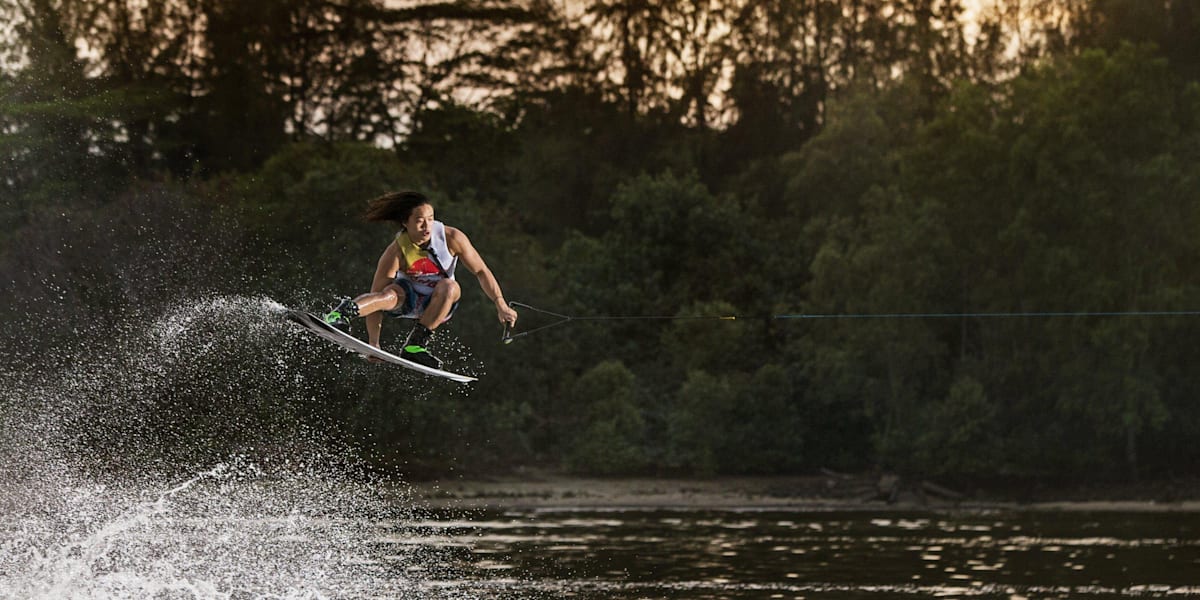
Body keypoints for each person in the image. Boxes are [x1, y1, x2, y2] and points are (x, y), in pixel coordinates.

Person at [322, 191, 518, 369]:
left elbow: (481, 271)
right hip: (408, 300)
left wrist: (500, 303)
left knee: (449, 286)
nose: (427, 227)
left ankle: (415, 346)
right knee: (389, 294)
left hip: (440, 303)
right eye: (419, 221)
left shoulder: (452, 238)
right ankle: (340, 314)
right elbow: (376, 300)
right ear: (405, 223)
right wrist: (374, 343)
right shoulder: (396, 251)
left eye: (430, 219)